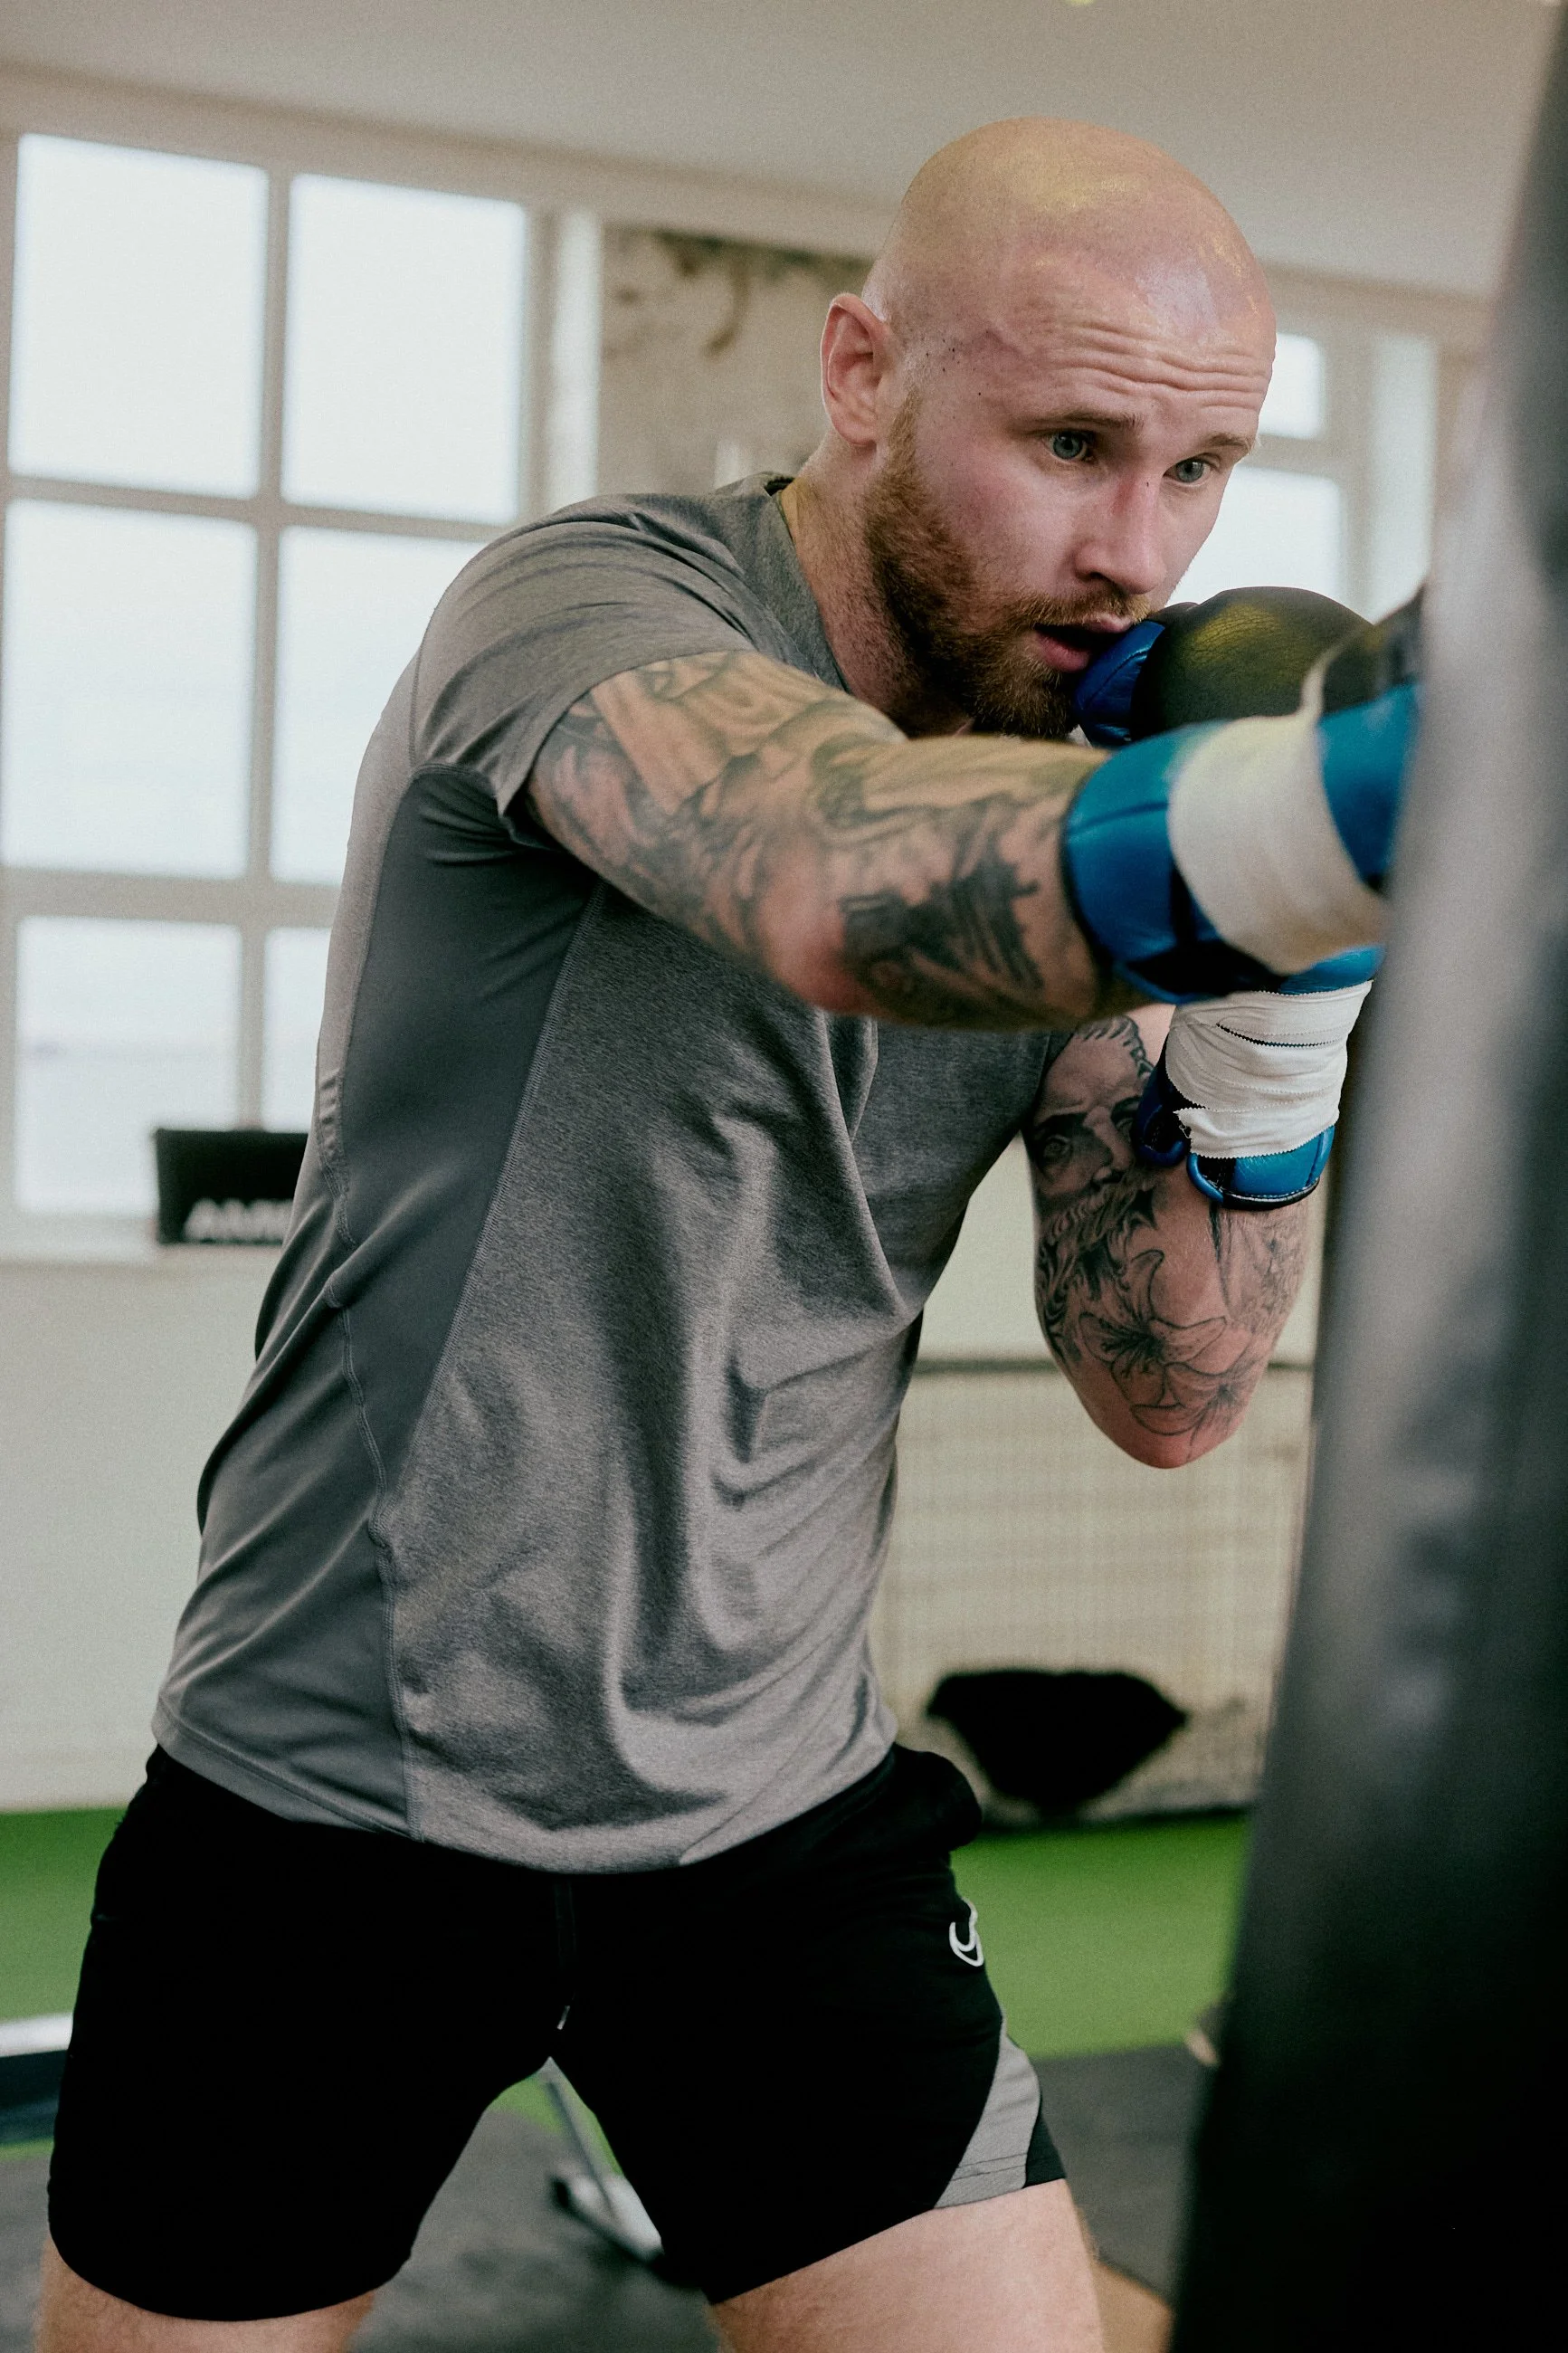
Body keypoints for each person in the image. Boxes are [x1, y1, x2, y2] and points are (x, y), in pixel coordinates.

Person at [39, 119, 1404, 2353]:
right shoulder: (587, 612)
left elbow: (1167, 1389)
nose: (1127, 551)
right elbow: (833, 872)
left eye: (1196, 471)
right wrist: (1308, 822)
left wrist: (1271, 1034)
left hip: (771, 1819)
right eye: (1067, 443)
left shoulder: (1105, 788)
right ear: (859, 371)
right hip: (343, 1784)